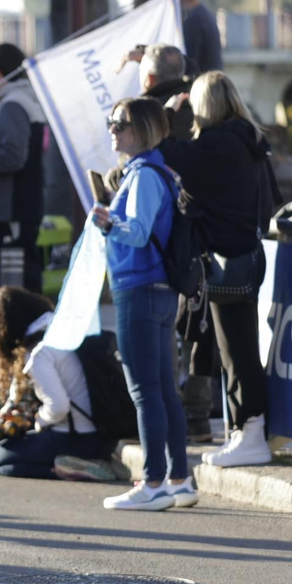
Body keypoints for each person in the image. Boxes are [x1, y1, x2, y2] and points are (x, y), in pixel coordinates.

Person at [160, 72, 280, 470]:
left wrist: (165, 114)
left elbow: (166, 153)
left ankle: (251, 434)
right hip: (242, 255)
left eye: (193, 103)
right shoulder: (245, 139)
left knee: (237, 351)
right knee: (235, 349)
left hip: (228, 259)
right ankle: (242, 433)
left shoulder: (218, 144)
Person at [90, 96, 196, 511]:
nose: (113, 130)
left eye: (120, 123)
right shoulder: (151, 171)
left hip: (140, 286)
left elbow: (135, 232)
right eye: (111, 122)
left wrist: (106, 220)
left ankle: (152, 482)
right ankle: (178, 478)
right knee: (163, 388)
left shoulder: (145, 174)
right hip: (155, 288)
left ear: (144, 129)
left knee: (146, 390)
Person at [0, 287, 129, 481]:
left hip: (75, 439)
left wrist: (38, 421)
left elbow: (58, 406)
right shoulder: (67, 330)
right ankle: (99, 460)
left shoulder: (39, 353)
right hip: (105, 437)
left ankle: (70, 469)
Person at [0, 42, 44, 293]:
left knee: (15, 287)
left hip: (12, 210)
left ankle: (20, 332)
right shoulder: (24, 100)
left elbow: (13, 157)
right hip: (21, 208)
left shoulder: (13, 104)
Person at [177, 0, 223, 77]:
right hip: (214, 79)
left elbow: (190, 60)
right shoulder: (206, 14)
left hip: (203, 82)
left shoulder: (193, 20)